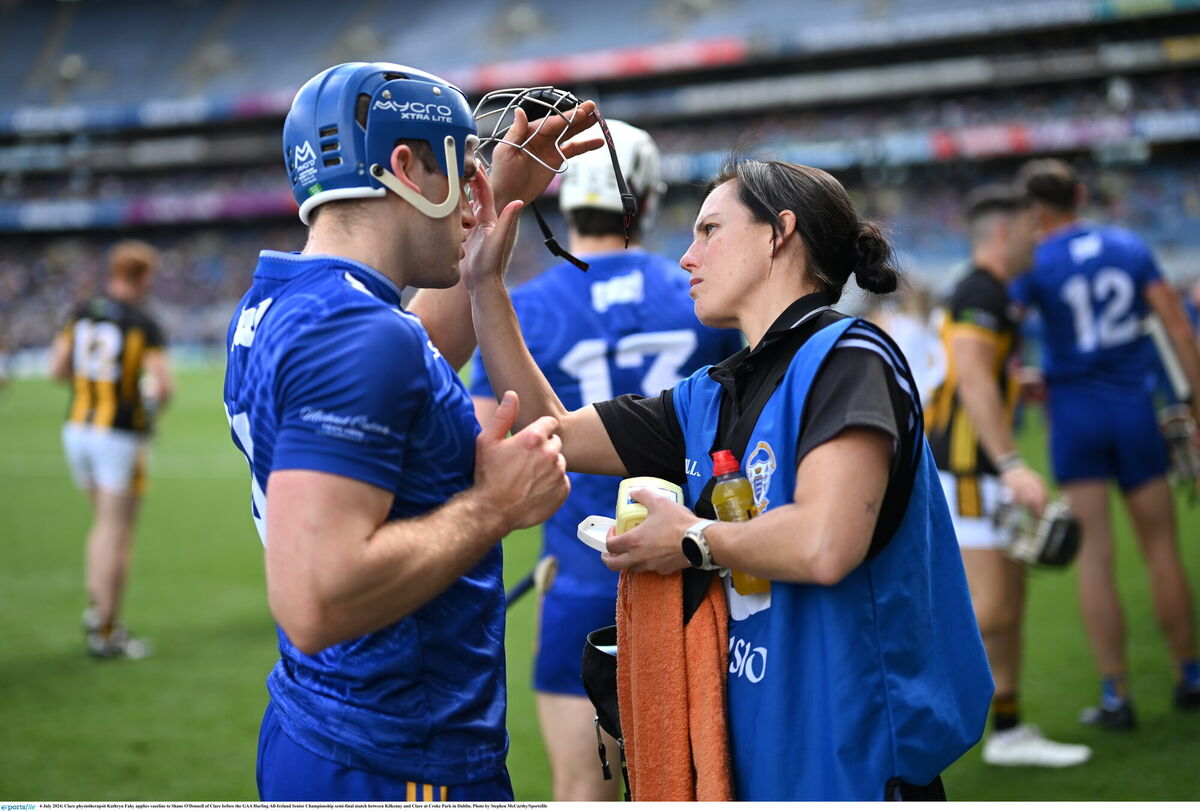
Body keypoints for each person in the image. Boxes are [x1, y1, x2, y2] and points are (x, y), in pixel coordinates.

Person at [462, 157, 993, 800]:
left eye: (709, 230)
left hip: (849, 756)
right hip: (758, 749)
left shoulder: (850, 358)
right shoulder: (709, 396)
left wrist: (692, 539)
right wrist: (484, 284)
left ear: (778, 233)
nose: (686, 257)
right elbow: (550, 428)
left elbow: (826, 541)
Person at [221, 62, 601, 801]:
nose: (474, 203)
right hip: (394, 754)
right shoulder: (356, 333)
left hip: (328, 727)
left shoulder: (294, 301)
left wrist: (509, 200)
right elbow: (314, 600)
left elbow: (416, 357)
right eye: (463, 171)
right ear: (405, 168)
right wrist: (494, 508)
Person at [468, 120, 742, 801]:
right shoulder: (702, 291)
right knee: (703, 778)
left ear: (565, 206)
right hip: (700, 565)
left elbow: (487, 441)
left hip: (580, 567)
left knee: (581, 785)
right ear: (645, 202)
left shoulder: (522, 305)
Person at [1010, 158, 1200, 729]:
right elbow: (1180, 329)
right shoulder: (1128, 244)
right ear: (1082, 194)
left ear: (1036, 210)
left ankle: (1117, 695)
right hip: (1134, 408)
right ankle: (1188, 674)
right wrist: (1194, 402)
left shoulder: (1035, 260)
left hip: (1074, 413)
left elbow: (1005, 335)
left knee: (1095, 558)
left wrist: (1022, 384)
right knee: (1162, 548)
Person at [926, 186, 1091, 767]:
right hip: (967, 471)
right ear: (1002, 233)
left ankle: (1010, 729)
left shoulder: (988, 291)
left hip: (976, 469)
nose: (1037, 239)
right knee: (989, 608)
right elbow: (971, 379)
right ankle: (914, 718)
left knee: (1010, 601)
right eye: (1029, 229)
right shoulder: (981, 291)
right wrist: (1013, 462)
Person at [50, 239, 173, 659]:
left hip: (76, 428)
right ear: (140, 276)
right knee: (116, 531)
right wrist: (147, 404)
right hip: (117, 435)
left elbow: (57, 369)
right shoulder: (143, 322)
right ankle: (106, 629)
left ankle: (97, 612)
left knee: (101, 525)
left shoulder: (82, 310)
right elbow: (163, 386)